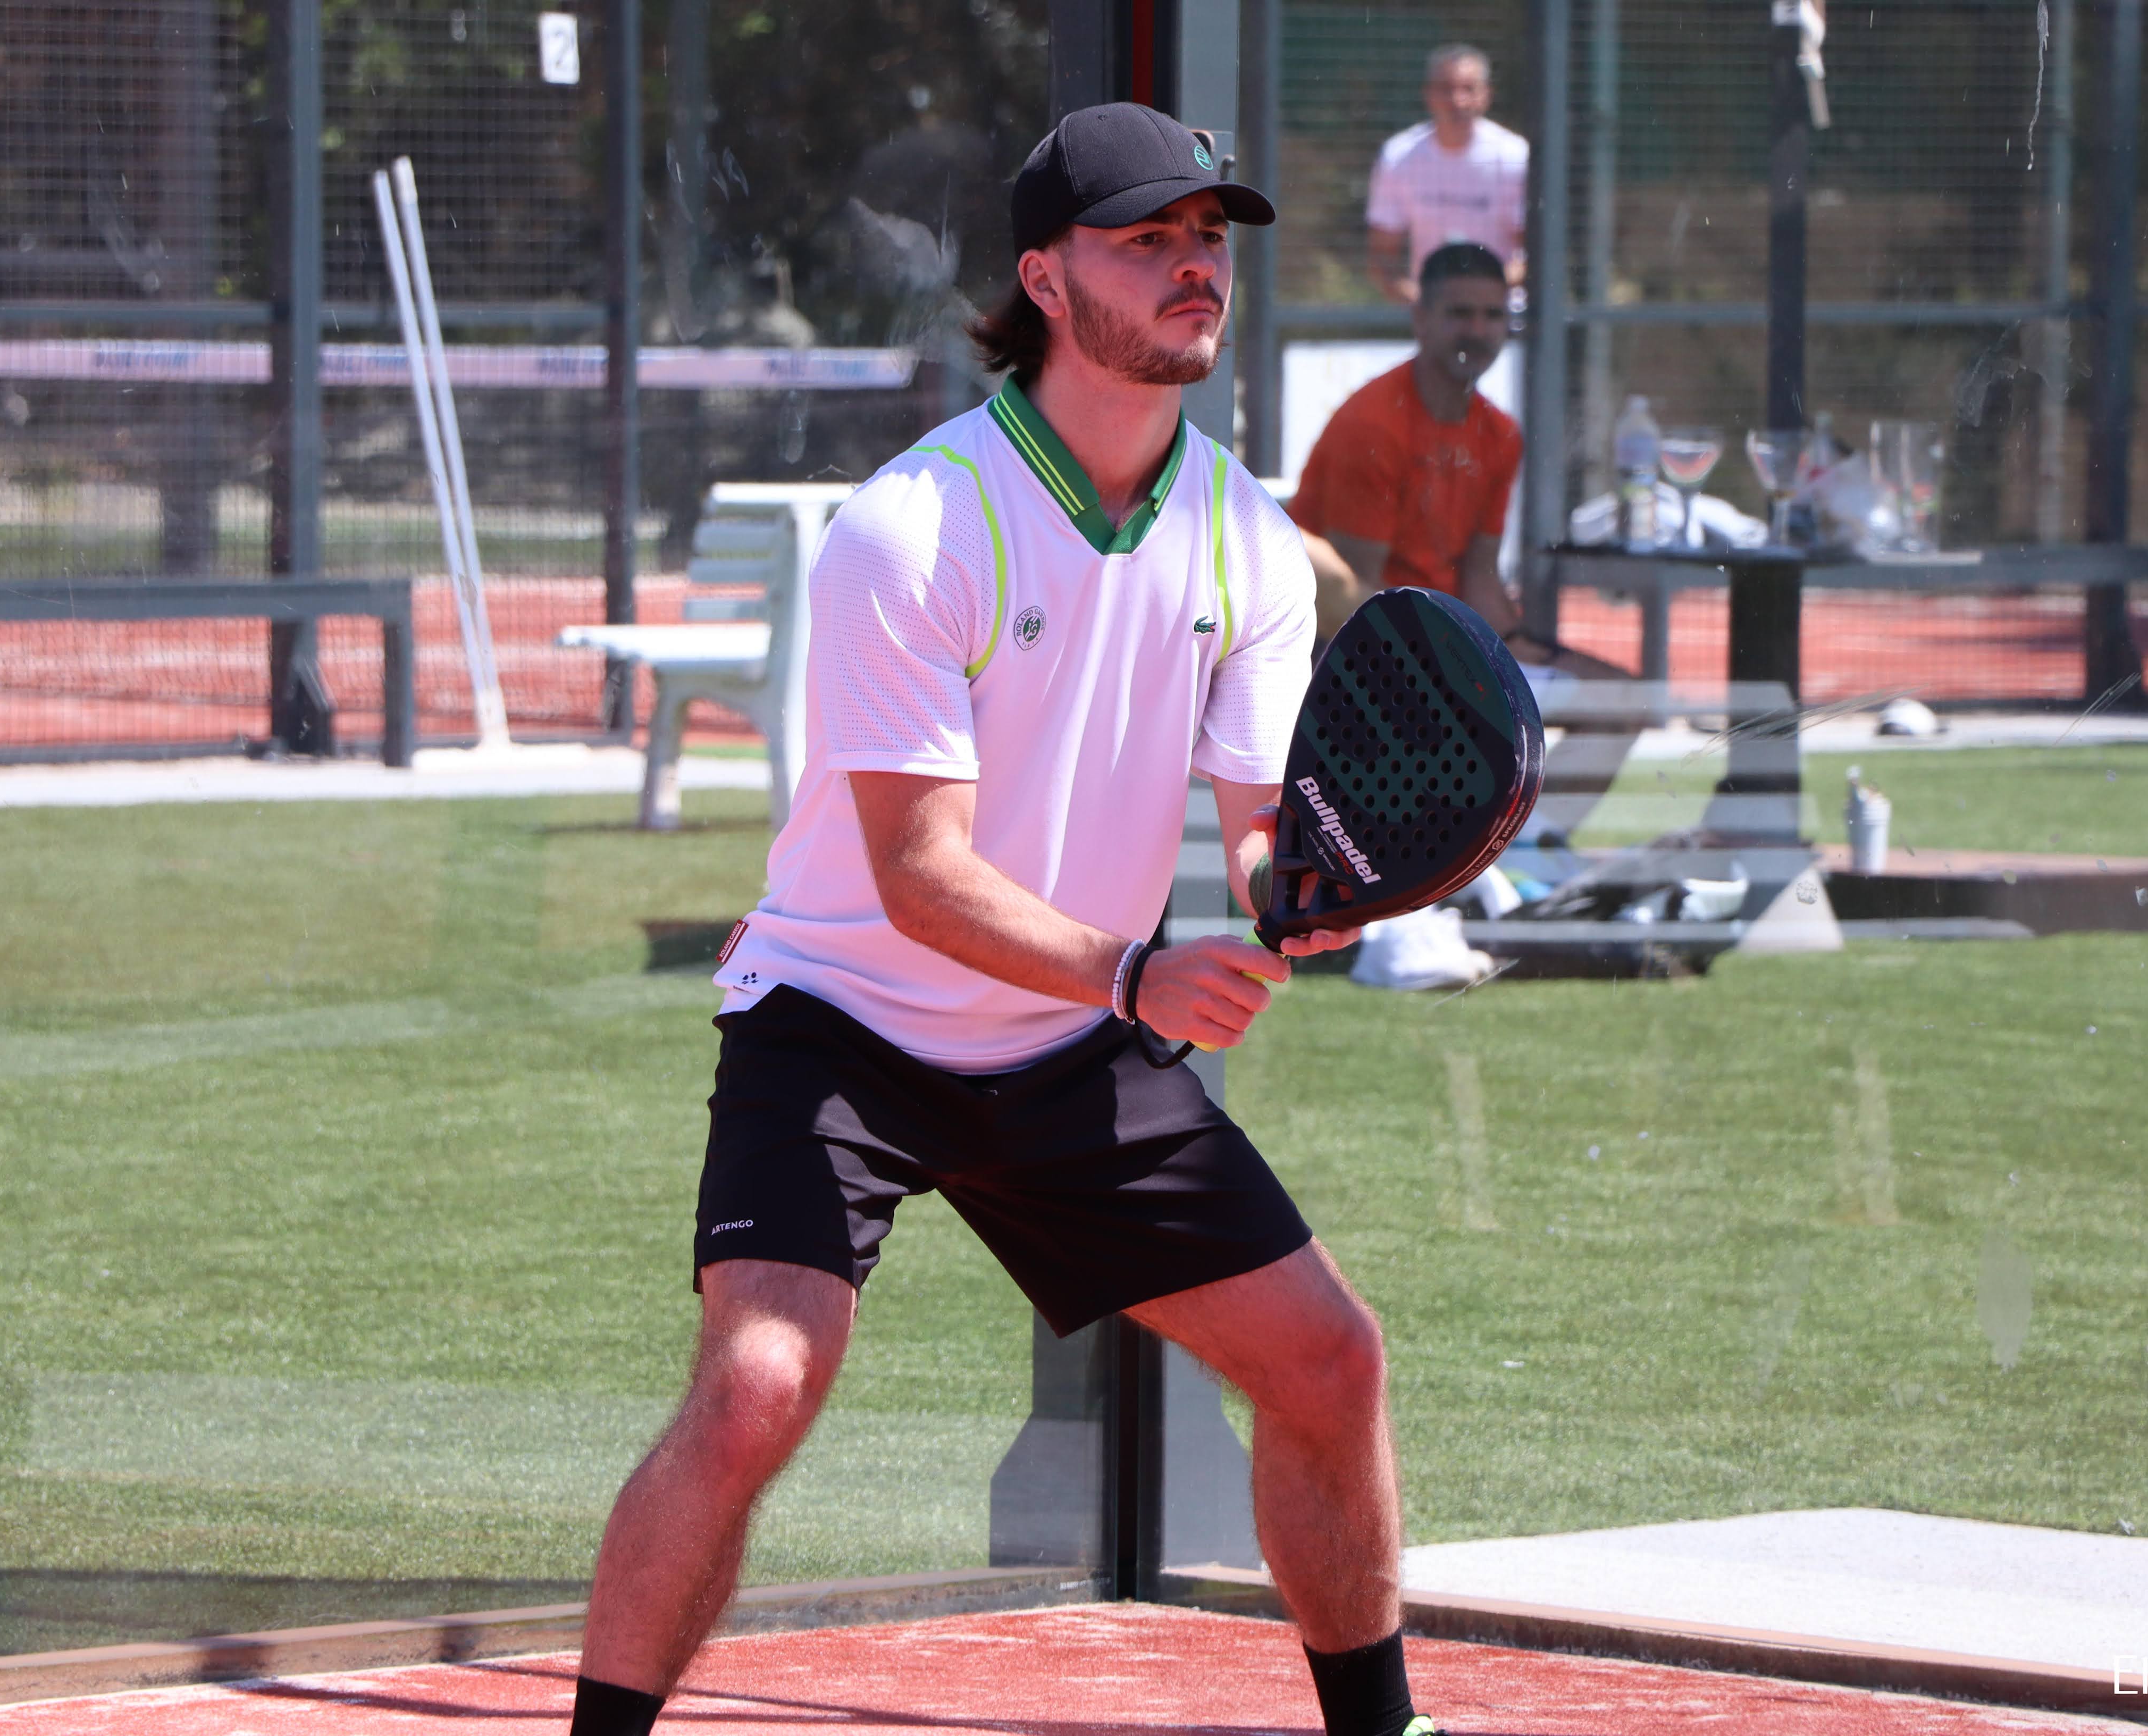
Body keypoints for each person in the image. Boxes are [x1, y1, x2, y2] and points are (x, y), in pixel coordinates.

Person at [564, 102, 1437, 1736]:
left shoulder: (1245, 534)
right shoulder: (914, 524)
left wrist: (1299, 898)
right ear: (1045, 279)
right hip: (842, 1022)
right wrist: (1137, 974)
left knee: (1331, 1359)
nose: (1194, 267)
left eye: (1208, 238)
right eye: (1146, 239)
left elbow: (1256, 821)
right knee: (755, 1388)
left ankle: (1384, 1730)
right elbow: (917, 870)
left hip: (1069, 1040)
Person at [1289, 244, 1551, 662]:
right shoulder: (1374, 425)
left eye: (1493, 315)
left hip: (1435, 644)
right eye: (1460, 314)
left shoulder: (1501, 434)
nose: (1478, 331)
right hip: (1359, 655)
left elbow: (1479, 578)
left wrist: (1525, 655)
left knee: (1601, 687)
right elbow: (1353, 602)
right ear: (1421, 319)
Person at [1365, 45, 1528, 307]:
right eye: (1446, 89)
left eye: (1469, 89)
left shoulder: (1514, 156)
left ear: (1487, 95)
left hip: (1505, 311)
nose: (1457, 101)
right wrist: (1425, 301)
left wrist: (1480, 295)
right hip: (1432, 313)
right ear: (1428, 94)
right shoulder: (1399, 156)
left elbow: (1535, 252)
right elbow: (1383, 254)